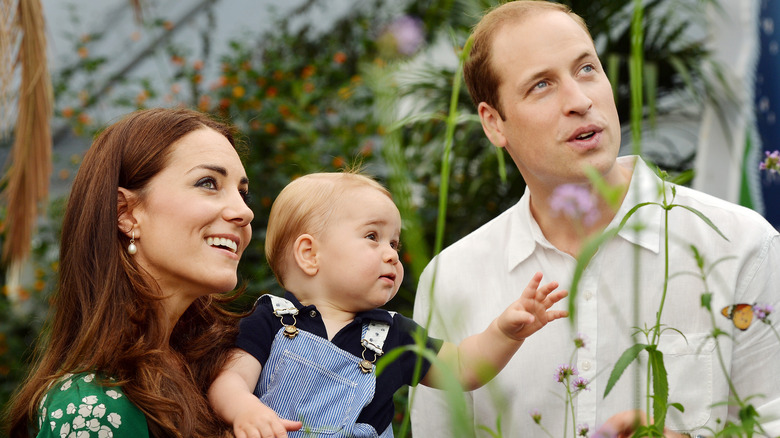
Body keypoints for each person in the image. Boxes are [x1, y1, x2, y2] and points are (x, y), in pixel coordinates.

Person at [410, 1, 780, 437]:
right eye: (542, 84)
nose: (581, 101)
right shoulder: (452, 279)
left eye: (586, 69)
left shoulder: (741, 245)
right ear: (494, 124)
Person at [207, 171, 569, 438]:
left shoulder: (393, 334)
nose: (392, 255)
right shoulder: (271, 318)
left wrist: (504, 333)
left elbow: (463, 368)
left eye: (394, 244)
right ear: (309, 254)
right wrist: (246, 410)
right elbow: (230, 379)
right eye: (372, 237)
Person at [4, 108, 255, 437]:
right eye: (208, 183)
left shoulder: (234, 371)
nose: (244, 211)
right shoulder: (92, 408)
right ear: (126, 214)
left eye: (243, 192)